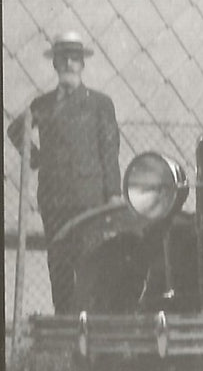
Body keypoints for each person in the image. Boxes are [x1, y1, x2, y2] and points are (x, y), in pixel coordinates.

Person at [7, 31, 122, 315]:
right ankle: (62, 326)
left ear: (82, 64)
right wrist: (36, 158)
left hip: (90, 201)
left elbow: (109, 151)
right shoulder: (42, 105)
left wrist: (114, 193)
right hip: (55, 200)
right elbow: (14, 131)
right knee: (58, 264)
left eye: (75, 58)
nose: (69, 64)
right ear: (55, 64)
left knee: (91, 262)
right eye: (63, 58)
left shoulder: (99, 104)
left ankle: (89, 329)